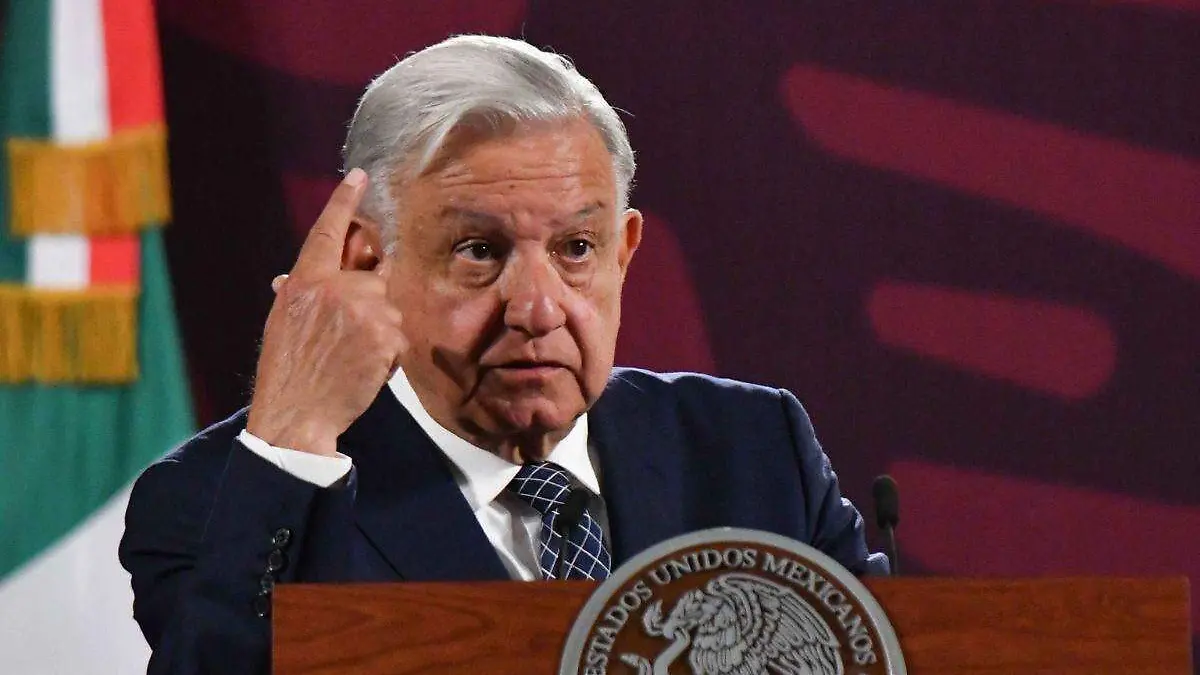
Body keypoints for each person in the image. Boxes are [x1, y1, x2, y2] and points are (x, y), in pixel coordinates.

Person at [119, 34, 885, 674]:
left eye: (576, 247)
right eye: (479, 250)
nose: (538, 308)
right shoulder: (218, 501)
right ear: (364, 260)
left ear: (623, 252)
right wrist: (292, 441)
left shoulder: (754, 449)